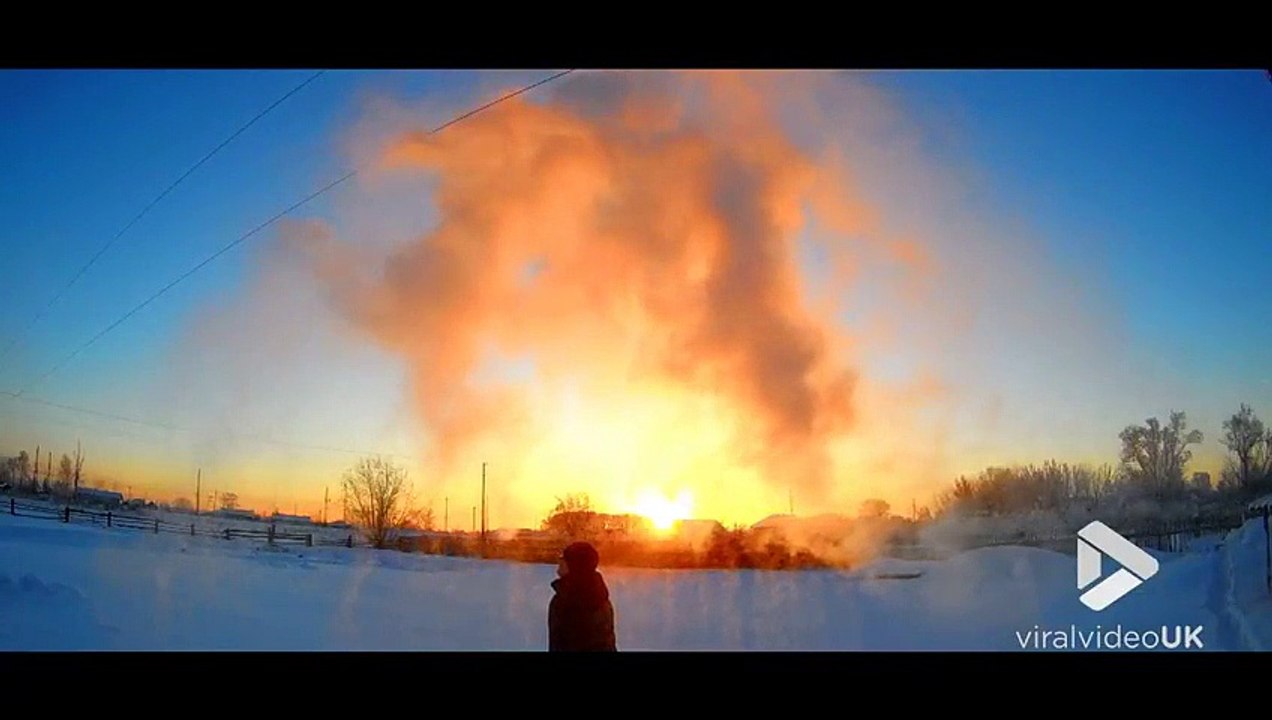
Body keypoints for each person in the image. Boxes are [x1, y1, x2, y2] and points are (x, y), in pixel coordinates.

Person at [548, 541, 617, 651]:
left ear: (574, 565)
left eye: (563, 558)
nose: (559, 561)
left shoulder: (570, 601)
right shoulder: (600, 597)